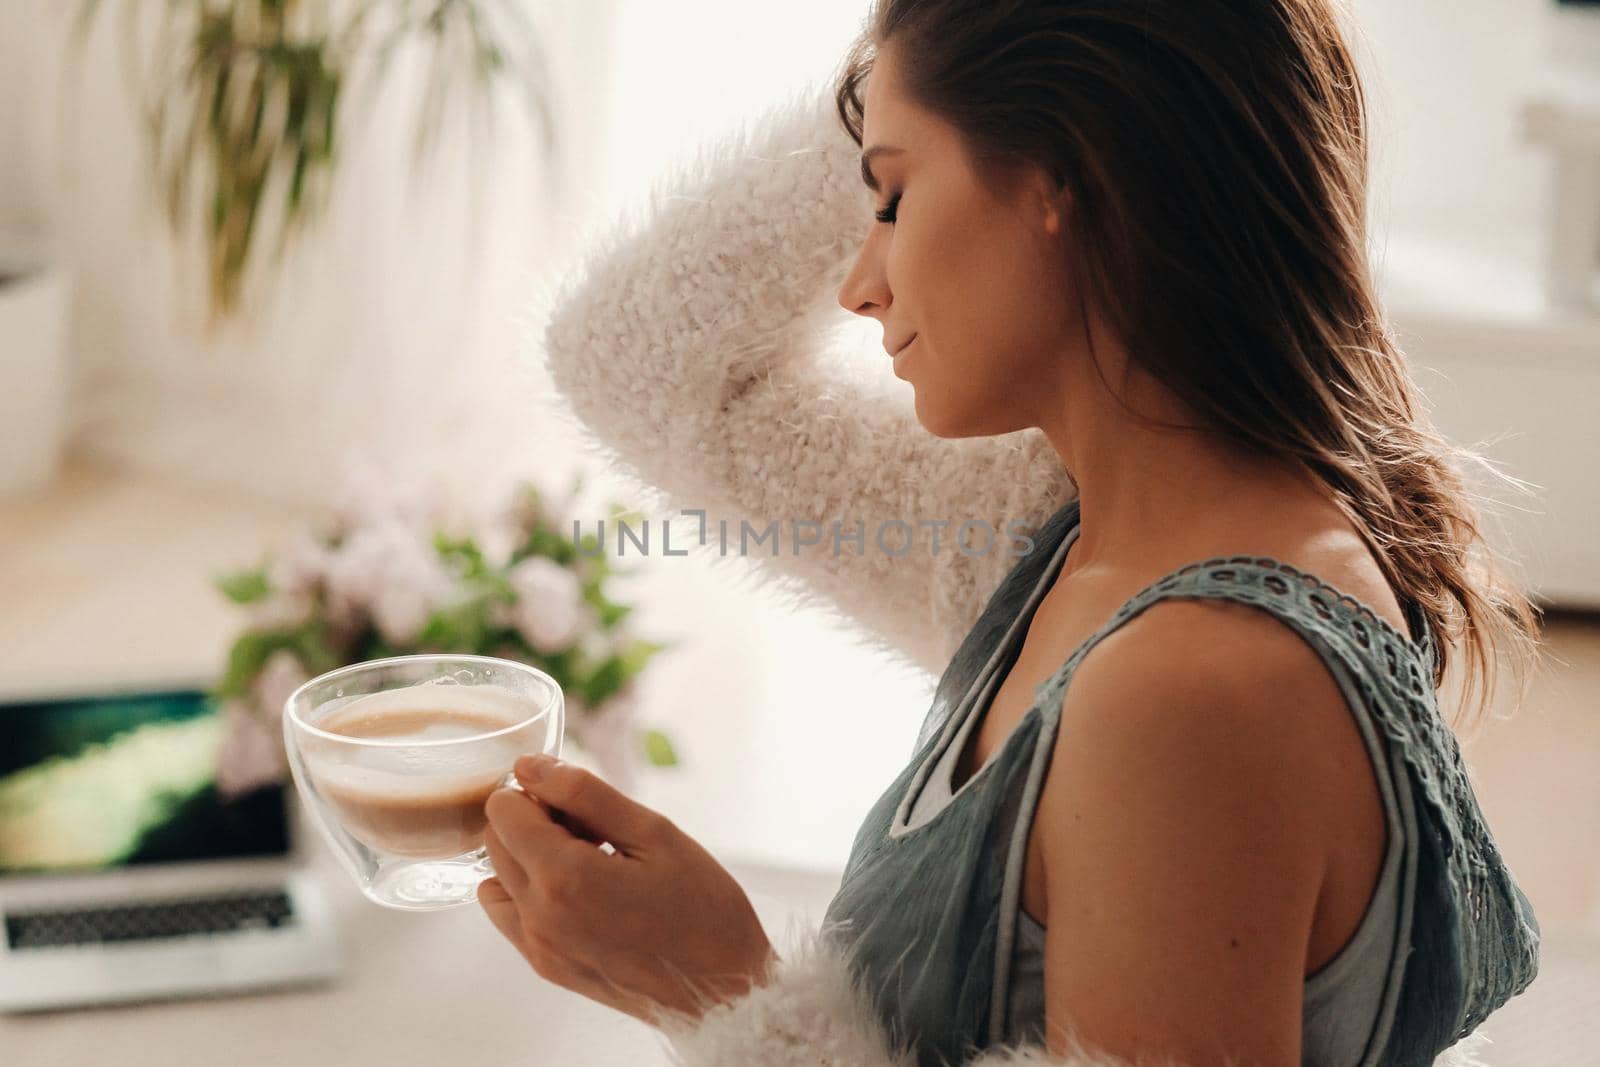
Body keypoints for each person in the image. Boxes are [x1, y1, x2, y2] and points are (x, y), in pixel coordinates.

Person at [477, 2, 1546, 1064]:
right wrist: (936, 48)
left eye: (891, 195)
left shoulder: (1195, 679)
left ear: (1062, 172)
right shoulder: (1074, 530)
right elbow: (641, 361)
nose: (858, 283)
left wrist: (723, 989)